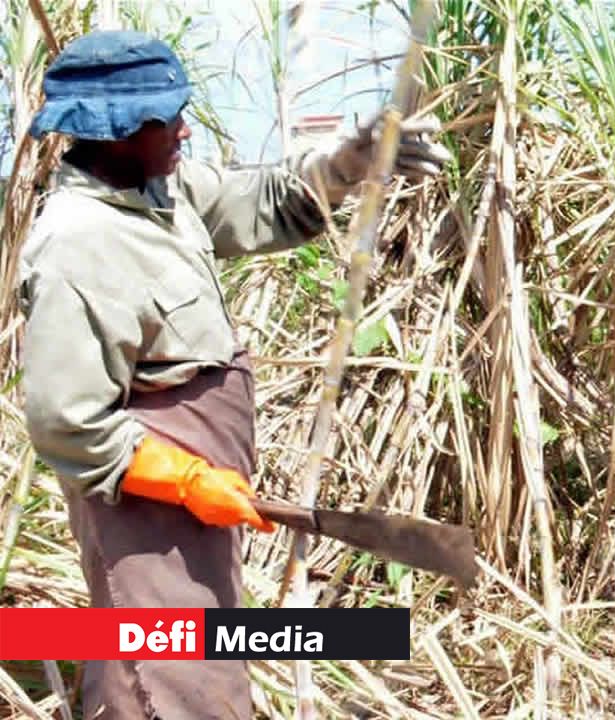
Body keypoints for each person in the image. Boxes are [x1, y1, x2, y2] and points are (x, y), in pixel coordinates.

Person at [17, 30, 450, 719]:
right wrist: (186, 479)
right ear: (114, 134)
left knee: (196, 673)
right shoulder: (77, 241)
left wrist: (346, 164)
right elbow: (65, 423)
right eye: (166, 117)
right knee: (163, 685)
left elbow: (268, 205)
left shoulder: (164, 188)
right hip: (142, 512)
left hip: (196, 504)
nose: (184, 126)